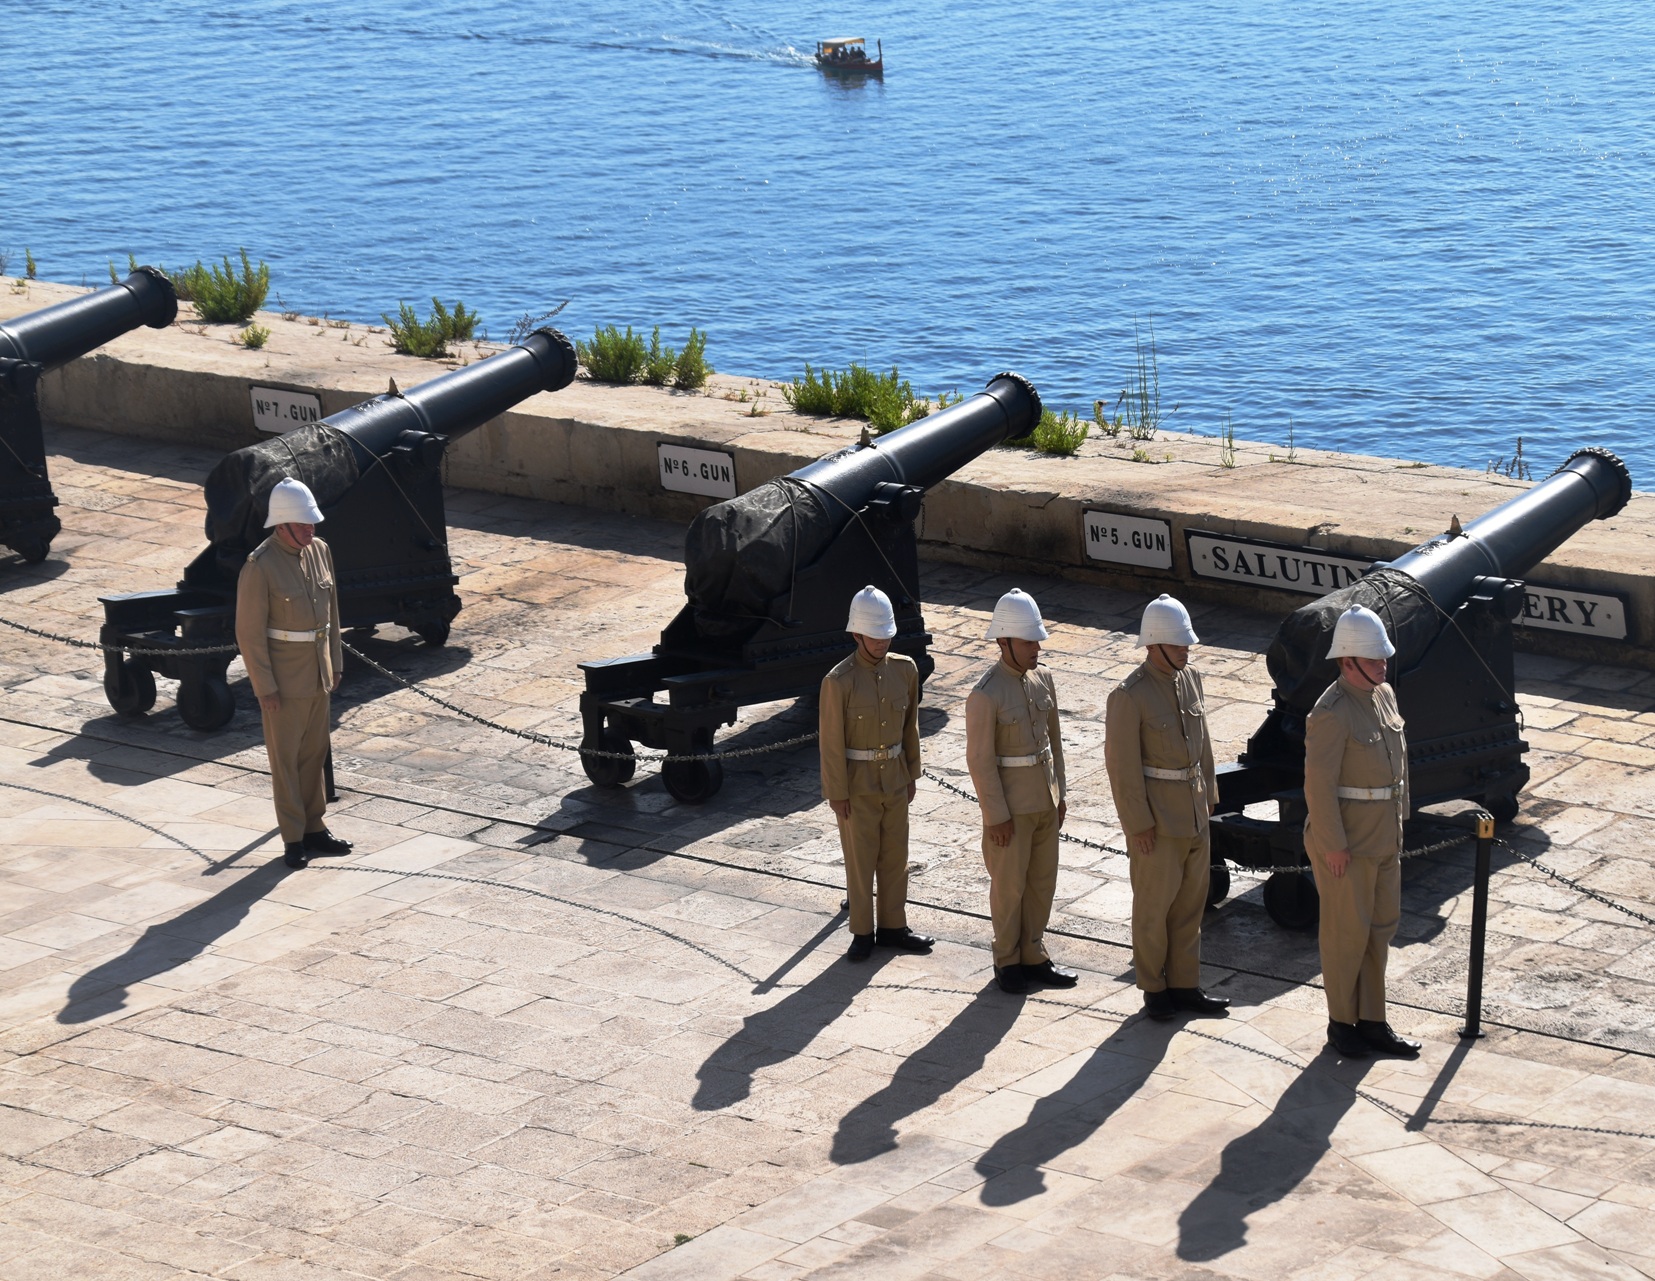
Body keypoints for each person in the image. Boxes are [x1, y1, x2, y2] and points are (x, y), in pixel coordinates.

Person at [1104, 595, 1229, 1021]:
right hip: (1157, 822)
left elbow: (1203, 744)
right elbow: (1122, 768)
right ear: (1153, 644)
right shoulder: (1129, 696)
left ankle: (1185, 984)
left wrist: (1209, 799)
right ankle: (1154, 988)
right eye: (1177, 643)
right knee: (1154, 909)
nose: (1185, 649)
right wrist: (1138, 824)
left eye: (1186, 642)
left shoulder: (1190, 678)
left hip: (1194, 814)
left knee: (1190, 907)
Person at [1304, 604, 1420, 1060]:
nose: (1383, 664)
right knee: (1345, 936)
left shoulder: (1383, 695)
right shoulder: (1331, 713)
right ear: (1347, 661)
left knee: (1379, 930)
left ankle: (1372, 1020)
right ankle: (1342, 1023)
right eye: (1373, 658)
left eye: (1383, 656)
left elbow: (1398, 767)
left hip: (1383, 836)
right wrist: (1333, 845)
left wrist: (1400, 822)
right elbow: (1319, 786)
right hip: (1347, 843)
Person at [235, 478, 351, 871]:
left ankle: (315, 827)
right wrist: (264, 687)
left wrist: (335, 663)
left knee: (314, 754)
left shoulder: (321, 551)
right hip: (283, 683)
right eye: (301, 524)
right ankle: (293, 837)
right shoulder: (260, 566)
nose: (309, 529)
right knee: (285, 760)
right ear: (280, 526)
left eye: (311, 521)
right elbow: (249, 634)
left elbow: (332, 614)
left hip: (318, 674)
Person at [965, 588, 1074, 995]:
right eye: (1028, 641)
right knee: (1009, 888)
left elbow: (1054, 743)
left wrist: (1060, 795)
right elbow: (980, 760)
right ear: (1003, 641)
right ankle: (1007, 958)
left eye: (1036, 640)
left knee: (1042, 882)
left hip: (1043, 801)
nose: (1036, 648)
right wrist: (996, 816)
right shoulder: (986, 694)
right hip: (1010, 810)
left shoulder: (1044, 679)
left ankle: (1033, 952)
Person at [819, 585, 934, 962]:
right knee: (860, 862)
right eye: (875, 636)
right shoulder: (839, 681)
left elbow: (910, 726)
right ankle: (862, 932)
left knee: (896, 858)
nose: (882, 642)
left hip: (895, 780)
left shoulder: (905, 669)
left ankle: (893, 927)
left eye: (886, 635)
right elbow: (831, 743)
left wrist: (912, 773)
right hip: (858, 787)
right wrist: (837, 793)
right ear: (856, 634)